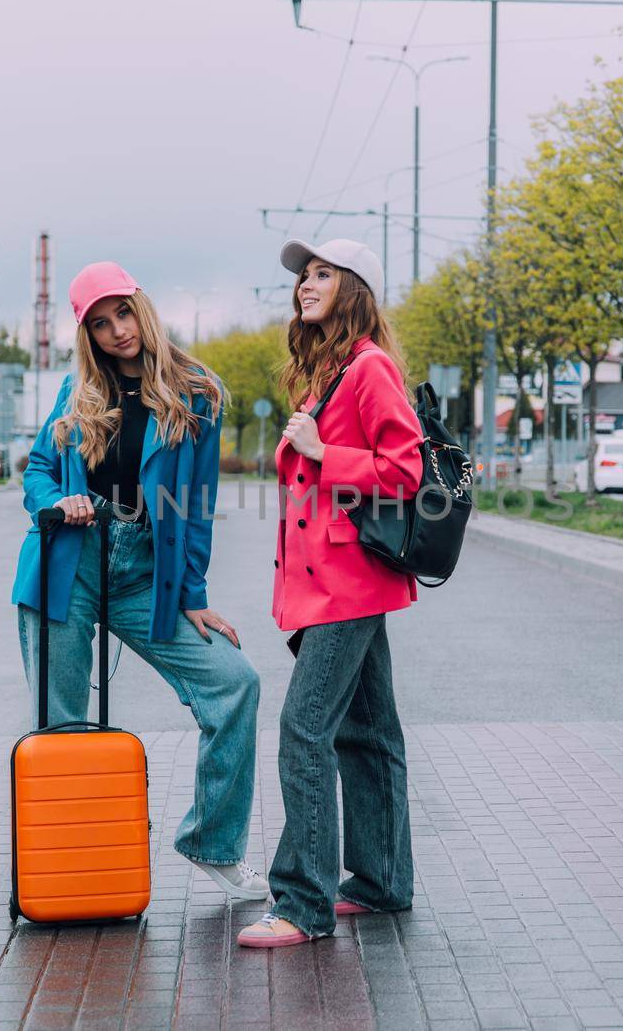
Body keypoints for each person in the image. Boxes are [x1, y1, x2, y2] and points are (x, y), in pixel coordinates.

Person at [10, 260, 268, 901]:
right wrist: (54, 502)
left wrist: (194, 598)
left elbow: (198, 504)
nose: (117, 331)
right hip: (67, 562)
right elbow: (39, 466)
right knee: (62, 729)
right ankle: (70, 868)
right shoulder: (79, 392)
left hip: (142, 574)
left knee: (235, 685)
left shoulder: (196, 392)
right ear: (87, 334)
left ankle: (213, 844)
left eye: (123, 313)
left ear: (142, 307)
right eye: (100, 324)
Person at [238, 239, 423, 948]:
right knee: (367, 733)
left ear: (353, 288)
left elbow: (403, 472)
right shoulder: (330, 371)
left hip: (350, 583)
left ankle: (304, 905)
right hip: (335, 580)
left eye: (320, 274)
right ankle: (380, 882)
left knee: (303, 728)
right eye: (302, 276)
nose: (304, 285)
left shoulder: (370, 368)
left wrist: (322, 452)